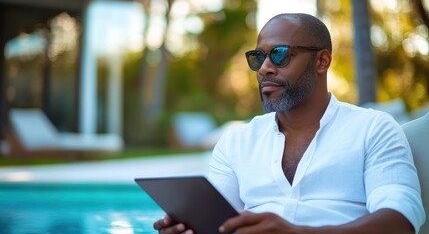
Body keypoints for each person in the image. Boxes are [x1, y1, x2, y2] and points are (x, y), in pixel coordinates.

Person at [153, 13, 425, 234]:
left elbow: (400, 222)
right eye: (258, 57)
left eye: (280, 54)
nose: (265, 68)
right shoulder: (237, 142)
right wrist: (189, 227)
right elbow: (218, 221)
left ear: (321, 61)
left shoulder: (373, 129)